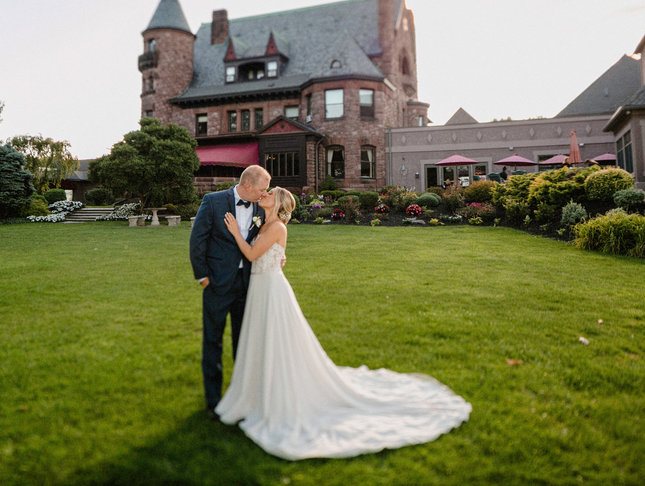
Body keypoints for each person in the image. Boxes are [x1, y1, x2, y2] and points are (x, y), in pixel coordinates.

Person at [215, 187, 471, 460]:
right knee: (261, 339)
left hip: (271, 291)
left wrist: (235, 234)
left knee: (277, 338)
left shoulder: (277, 226)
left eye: (269, 194)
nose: (263, 195)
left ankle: (279, 389)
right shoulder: (262, 221)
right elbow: (266, 254)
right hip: (260, 287)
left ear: (277, 203)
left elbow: (253, 255)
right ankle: (258, 390)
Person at [189, 165, 270, 420]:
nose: (264, 194)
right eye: (261, 189)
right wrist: (203, 278)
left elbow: (267, 237)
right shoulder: (213, 202)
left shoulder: (261, 208)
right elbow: (197, 240)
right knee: (212, 341)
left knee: (242, 342)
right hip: (215, 285)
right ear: (247, 186)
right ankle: (213, 402)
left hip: (247, 285)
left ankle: (241, 397)